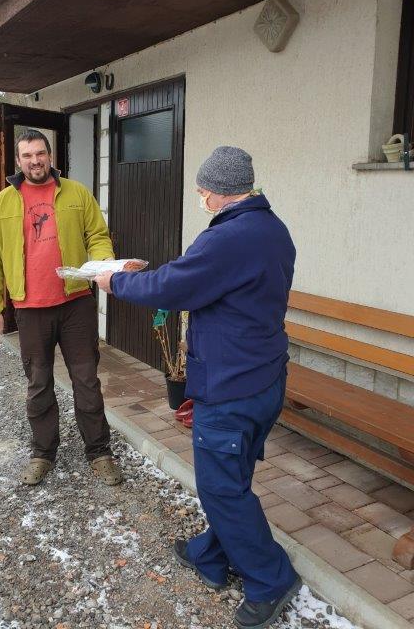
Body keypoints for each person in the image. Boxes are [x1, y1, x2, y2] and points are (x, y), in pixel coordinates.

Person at [95, 146, 301, 629]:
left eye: (203, 189)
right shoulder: (273, 229)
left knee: (221, 488)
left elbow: (172, 287)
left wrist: (114, 282)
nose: (200, 196)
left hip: (231, 387)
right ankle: (210, 553)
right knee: (232, 478)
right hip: (265, 377)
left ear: (221, 190)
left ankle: (271, 579)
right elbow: (205, 281)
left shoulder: (229, 237)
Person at [0, 128, 122, 487]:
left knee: (86, 381)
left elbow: (97, 235)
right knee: (39, 383)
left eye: (40, 153)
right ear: (18, 161)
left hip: (76, 304)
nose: (35, 161)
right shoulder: (1, 204)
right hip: (30, 310)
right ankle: (43, 453)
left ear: (50, 155)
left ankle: (99, 452)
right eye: (27, 156)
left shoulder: (76, 193)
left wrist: (104, 263)